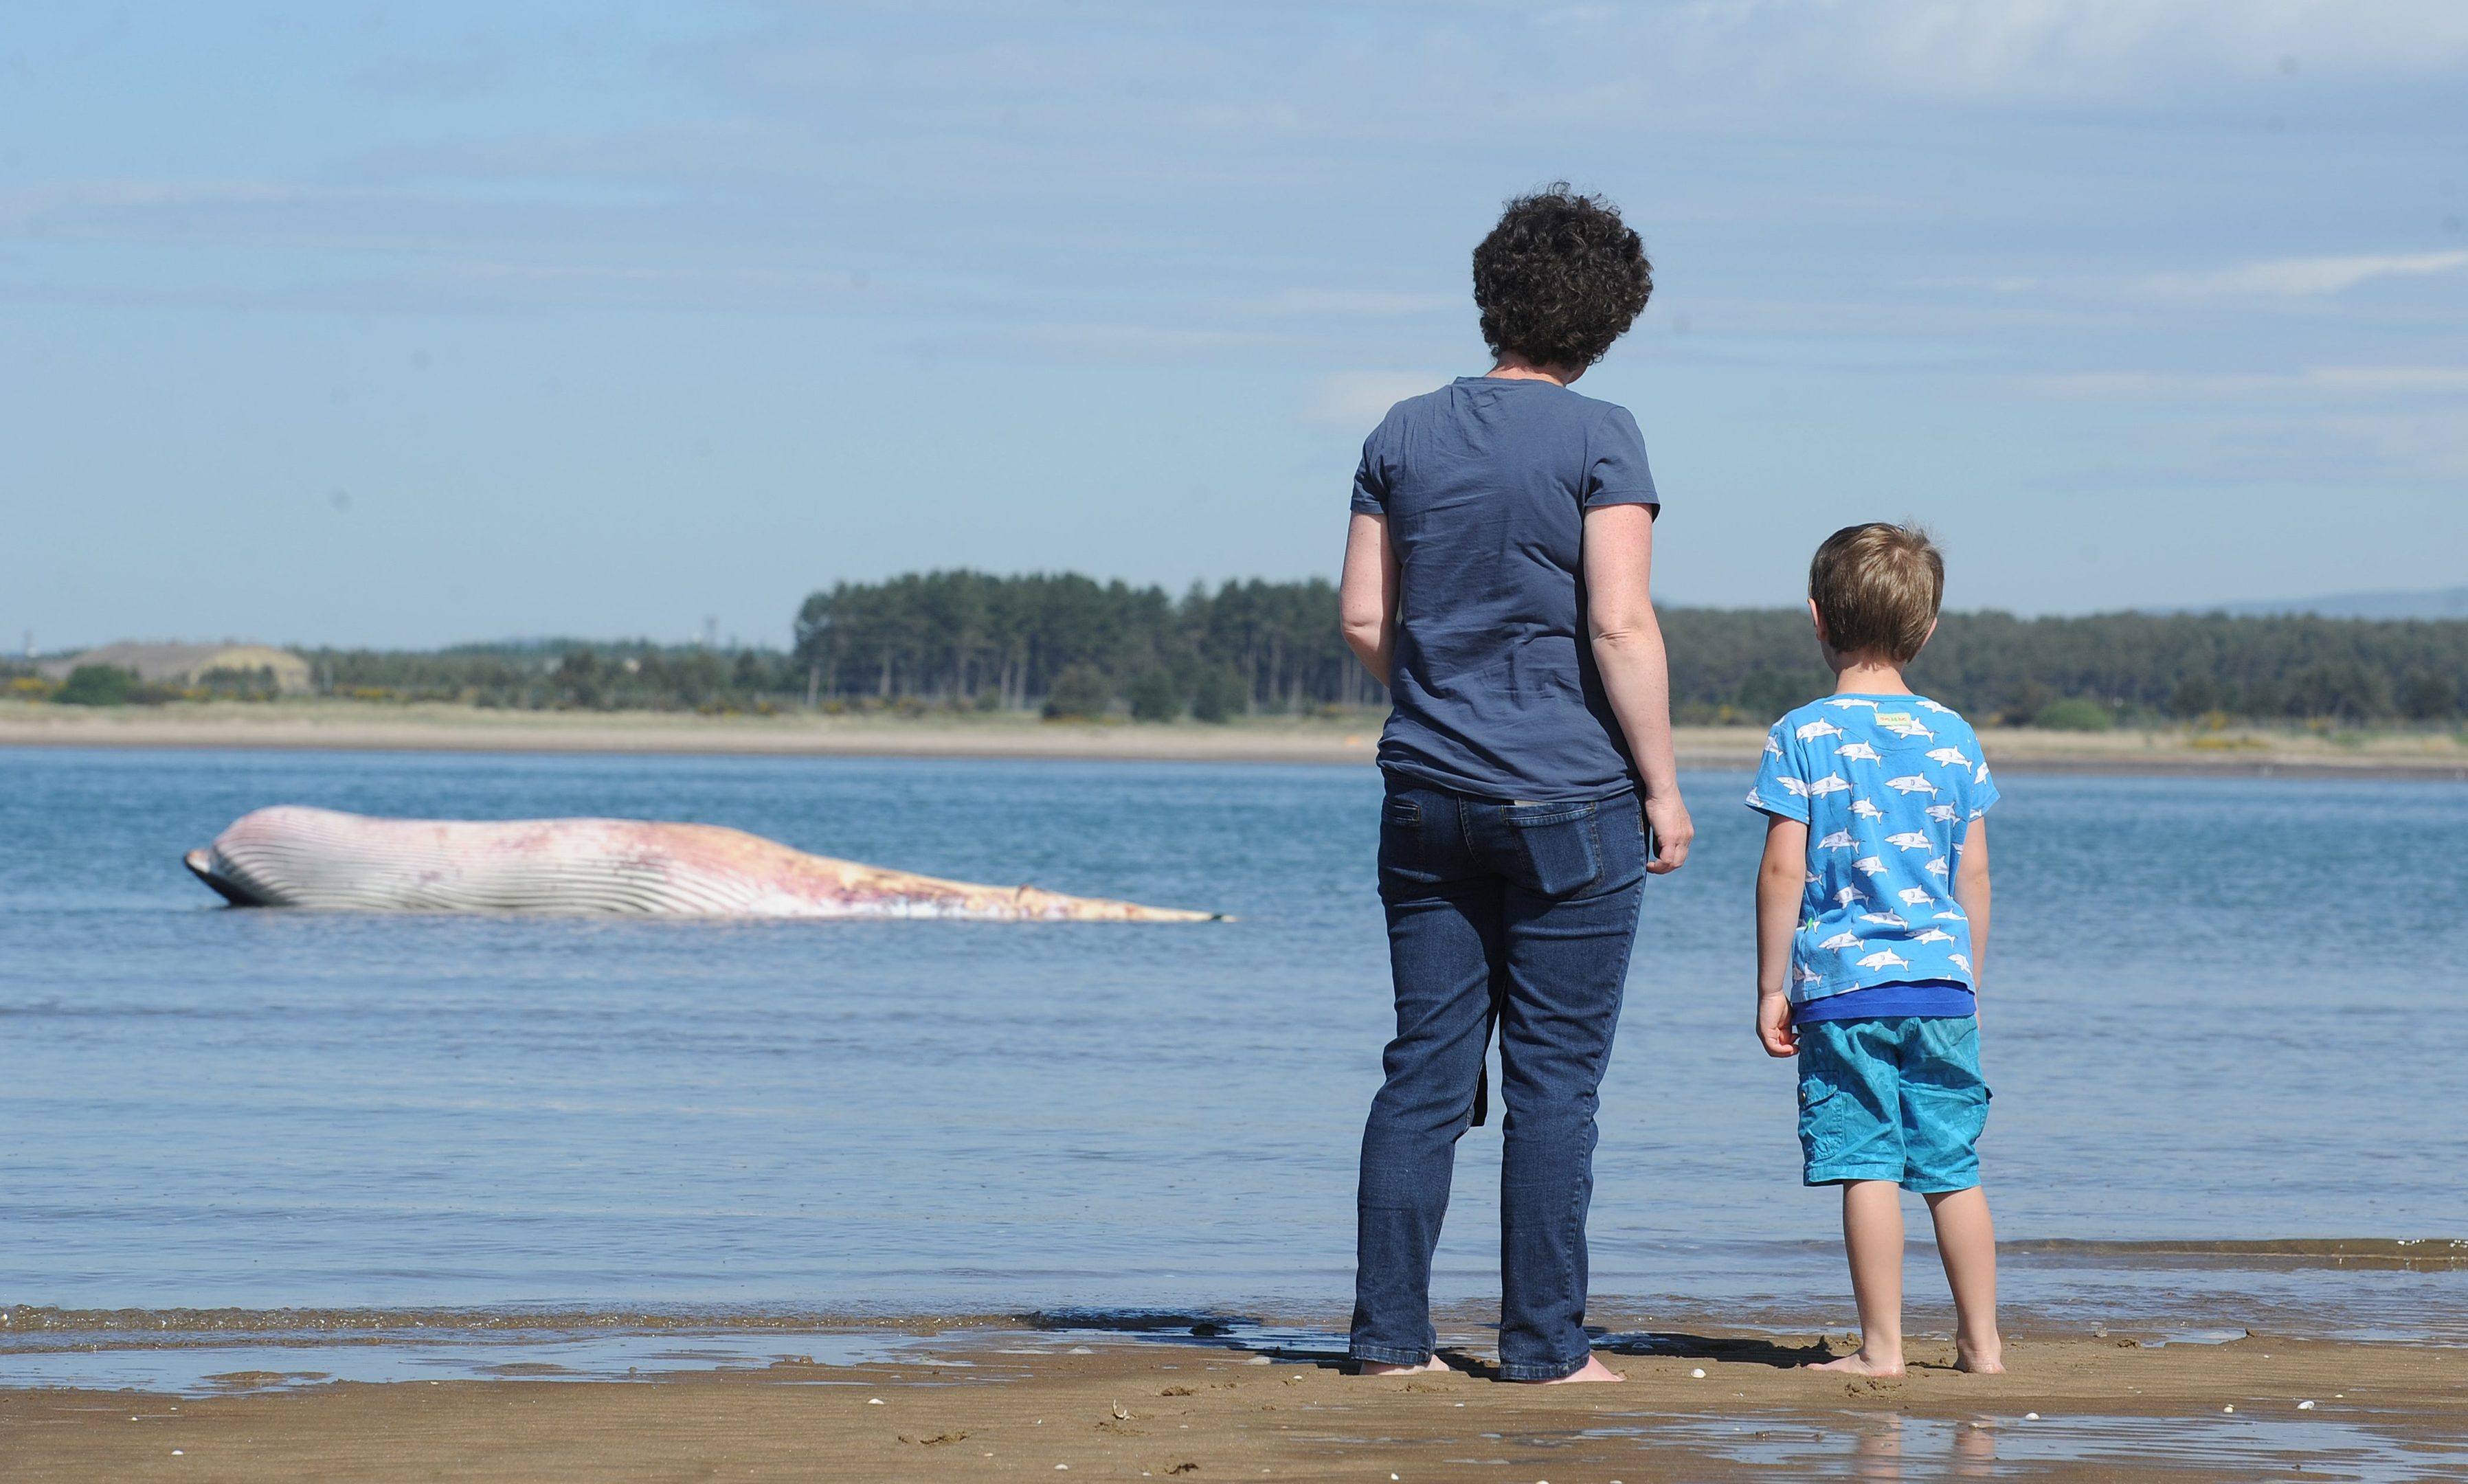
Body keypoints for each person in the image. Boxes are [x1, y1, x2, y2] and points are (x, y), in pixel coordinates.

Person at [1337, 184, 1694, 1384]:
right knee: (1553, 1086)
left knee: (1424, 1072)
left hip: (1423, 795)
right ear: (1607, 318)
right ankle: (1545, 1348)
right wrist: (1665, 786)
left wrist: (1433, 691)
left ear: (1494, 294)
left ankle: (1388, 1342)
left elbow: (1361, 617)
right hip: (1573, 799)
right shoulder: (1602, 436)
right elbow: (1620, 626)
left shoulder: (1398, 431)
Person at [1747, 522, 2004, 1375]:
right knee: (1951, 1167)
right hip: (1942, 986)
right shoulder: (1954, 735)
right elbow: (1974, 877)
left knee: (1867, 1166)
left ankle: (1882, 1350)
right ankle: (1983, 1345)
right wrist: (1965, 973)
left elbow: (1783, 868)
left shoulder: (1802, 734)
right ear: (1925, 631)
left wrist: (1769, 986)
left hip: (1845, 991)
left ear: (1816, 619)